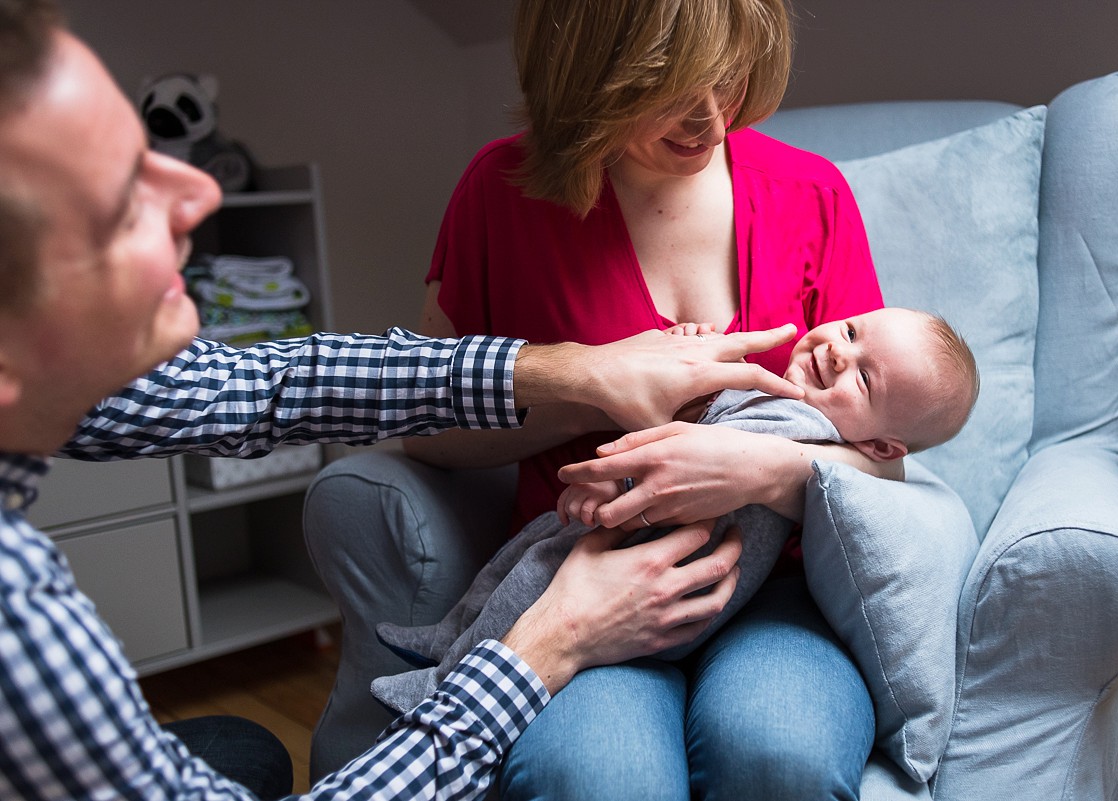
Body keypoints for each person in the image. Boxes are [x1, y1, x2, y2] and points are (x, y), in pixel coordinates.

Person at [0, 2, 817, 799]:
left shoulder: (806, 191)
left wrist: (570, 371)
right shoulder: (15, 609)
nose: (200, 194)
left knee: (242, 749)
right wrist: (549, 640)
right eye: (120, 205)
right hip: (578, 588)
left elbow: (262, 385)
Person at [363, 0, 902, 797]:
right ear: (588, 71)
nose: (711, 118)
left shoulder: (811, 195)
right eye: (671, 86)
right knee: (595, 778)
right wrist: (599, 390)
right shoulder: (501, 191)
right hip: (587, 581)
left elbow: (886, 468)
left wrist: (753, 470)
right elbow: (428, 427)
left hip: (781, 594)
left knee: (779, 755)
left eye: (730, 78)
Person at [369, 307, 978, 714]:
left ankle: (444, 682)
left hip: (650, 562)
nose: (838, 354)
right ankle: (449, 637)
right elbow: (700, 430)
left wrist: (612, 488)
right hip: (666, 561)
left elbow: (679, 466)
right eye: (850, 331)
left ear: (879, 446)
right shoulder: (796, 412)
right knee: (527, 554)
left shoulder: (798, 421)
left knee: (532, 574)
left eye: (866, 381)